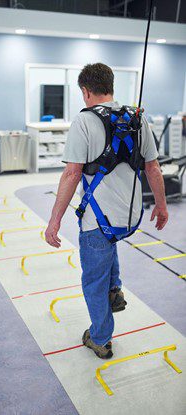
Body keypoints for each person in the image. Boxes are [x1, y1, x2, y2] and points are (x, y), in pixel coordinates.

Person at [45, 63, 168, 359]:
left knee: (92, 280)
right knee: (108, 246)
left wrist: (54, 220)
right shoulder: (138, 119)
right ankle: (115, 289)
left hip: (97, 221)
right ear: (110, 87)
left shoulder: (84, 121)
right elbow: (152, 167)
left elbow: (72, 174)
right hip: (130, 216)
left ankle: (100, 338)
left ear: (86, 91)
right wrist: (161, 206)